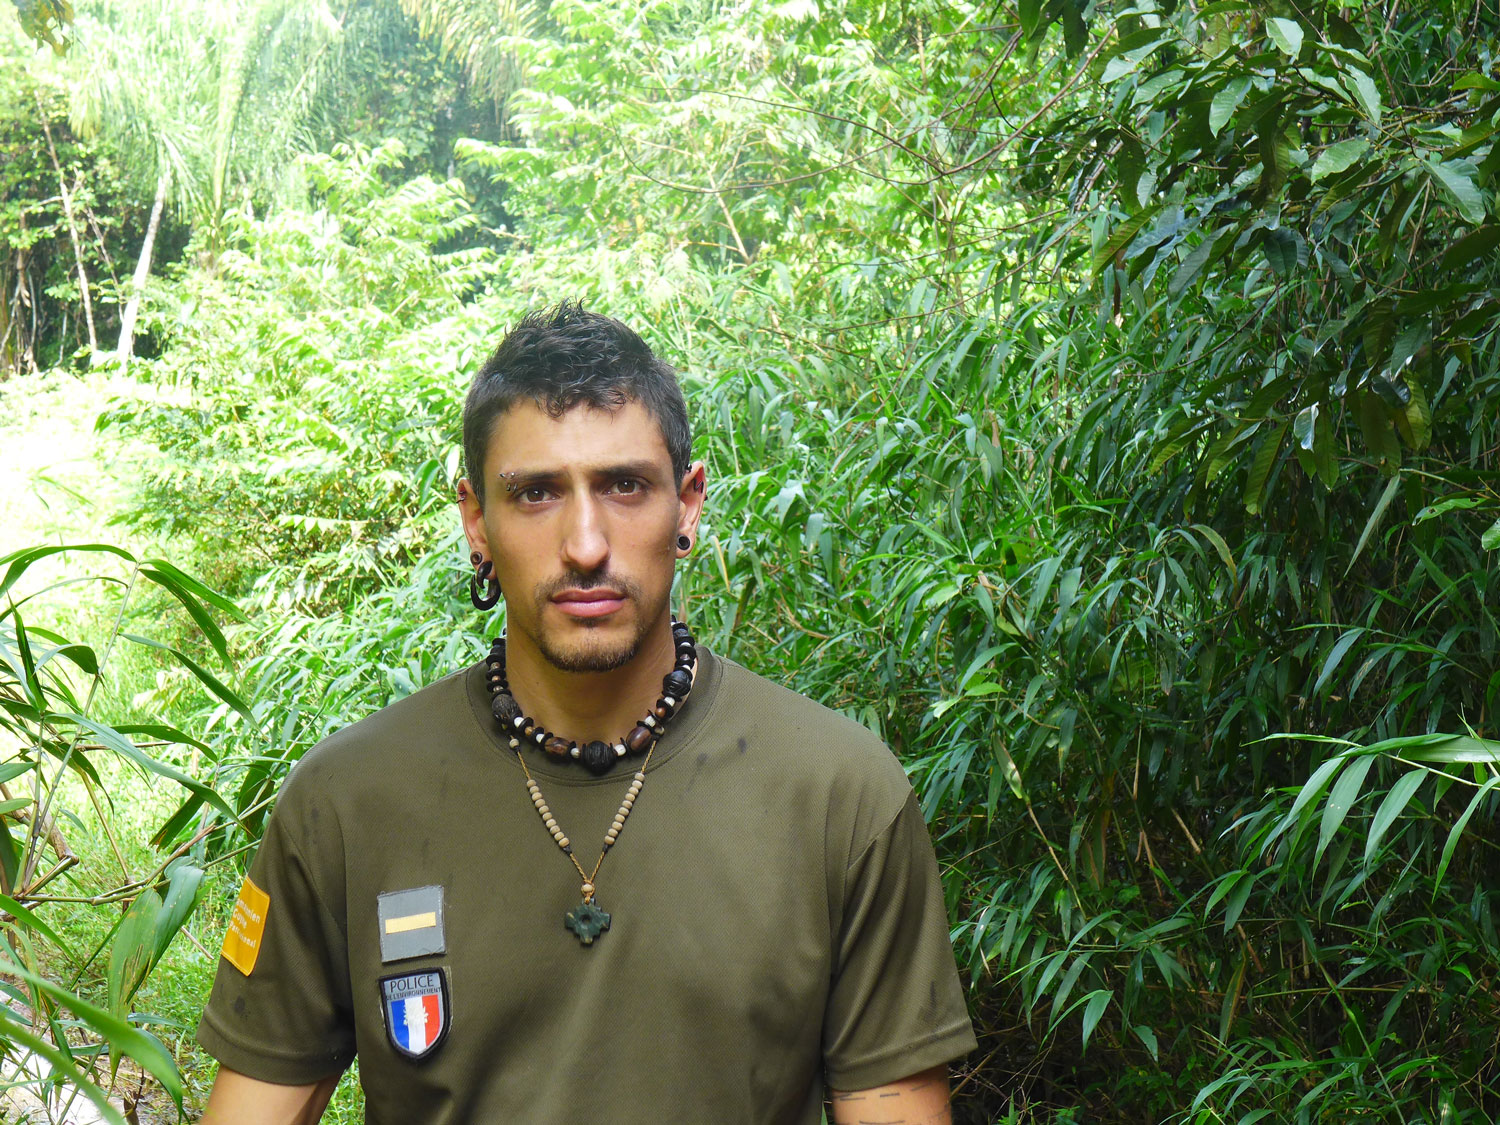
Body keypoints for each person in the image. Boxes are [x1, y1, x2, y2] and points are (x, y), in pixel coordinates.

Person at [196, 301, 977, 1124]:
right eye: (536, 493)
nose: (586, 543)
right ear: (476, 522)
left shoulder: (838, 797)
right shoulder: (347, 803)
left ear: (688, 505)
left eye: (625, 485)